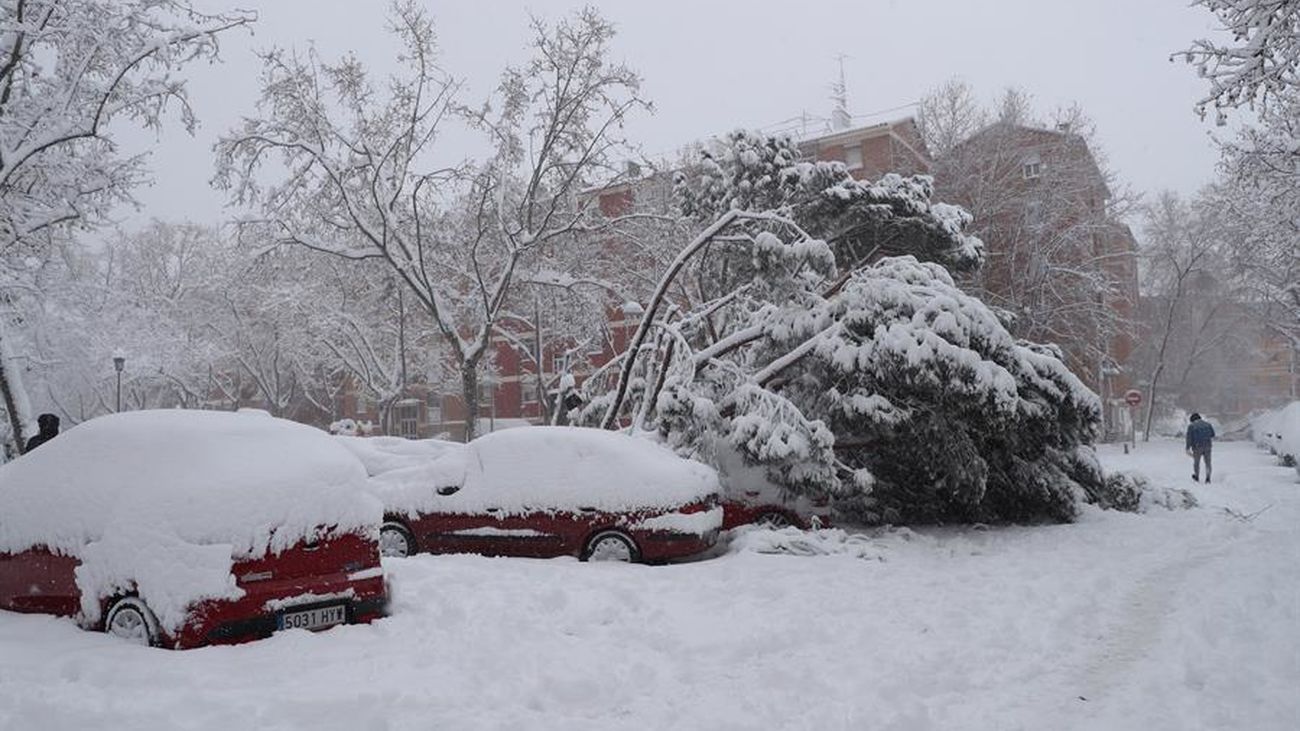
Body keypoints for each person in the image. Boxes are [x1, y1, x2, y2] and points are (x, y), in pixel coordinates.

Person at [1185, 412, 1215, 483]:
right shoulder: (1208, 424)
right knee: (1208, 462)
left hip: (1197, 447)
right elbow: (1212, 434)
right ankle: (1208, 477)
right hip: (1208, 446)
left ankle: (1196, 476)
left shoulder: (1191, 426)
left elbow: (1189, 438)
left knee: (1196, 462)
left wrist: (1187, 448)